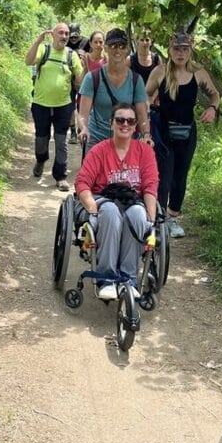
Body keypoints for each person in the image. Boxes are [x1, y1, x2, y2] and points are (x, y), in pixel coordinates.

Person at [75, 103, 158, 300]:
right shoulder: (99, 151)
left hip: (132, 201)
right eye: (120, 120)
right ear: (111, 123)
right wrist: (92, 208)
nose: (125, 124)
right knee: (111, 212)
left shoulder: (144, 152)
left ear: (136, 125)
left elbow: (150, 185)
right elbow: (83, 182)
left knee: (138, 215)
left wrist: (151, 218)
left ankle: (128, 278)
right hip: (104, 199)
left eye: (130, 121)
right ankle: (107, 278)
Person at [145, 32, 219, 238]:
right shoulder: (159, 72)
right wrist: (147, 112)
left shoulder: (198, 73)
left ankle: (173, 217)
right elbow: (144, 94)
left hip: (187, 131)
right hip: (163, 131)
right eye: (177, 49)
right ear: (169, 50)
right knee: (164, 175)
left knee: (180, 176)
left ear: (190, 51)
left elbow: (214, 93)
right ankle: (158, 219)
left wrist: (212, 108)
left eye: (185, 49)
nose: (181, 53)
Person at [24, 23, 83, 191]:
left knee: (61, 140)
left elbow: (79, 79)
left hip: (63, 105)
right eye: (61, 33)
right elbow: (28, 61)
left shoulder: (72, 55)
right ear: (53, 35)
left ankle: (61, 176)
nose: (64, 36)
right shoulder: (44, 50)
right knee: (41, 138)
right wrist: (37, 41)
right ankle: (41, 160)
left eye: (66, 33)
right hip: (41, 103)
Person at [77, 27, 150, 151]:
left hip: (125, 141)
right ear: (106, 48)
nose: (118, 50)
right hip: (96, 140)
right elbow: (83, 114)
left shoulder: (136, 80)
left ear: (127, 50)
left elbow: (142, 115)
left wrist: (146, 135)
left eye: (122, 46)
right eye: (113, 46)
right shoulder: (92, 78)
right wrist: (84, 128)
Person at [67, 23, 90, 144]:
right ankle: (73, 133)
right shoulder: (65, 42)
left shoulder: (87, 42)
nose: (73, 39)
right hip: (69, 78)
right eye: (72, 37)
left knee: (83, 106)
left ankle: (82, 130)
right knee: (70, 106)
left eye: (76, 37)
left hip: (84, 79)